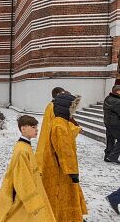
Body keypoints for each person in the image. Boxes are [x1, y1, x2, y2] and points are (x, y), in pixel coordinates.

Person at [0, 115, 56, 222]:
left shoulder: (25, 146)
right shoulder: (22, 150)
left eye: (36, 127)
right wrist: (33, 202)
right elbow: (22, 177)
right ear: (23, 129)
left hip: (31, 189)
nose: (37, 129)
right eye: (33, 127)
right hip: (24, 194)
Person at [40, 93, 87, 221]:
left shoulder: (60, 122)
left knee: (65, 195)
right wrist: (72, 172)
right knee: (61, 195)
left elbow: (68, 135)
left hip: (59, 168)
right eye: (72, 107)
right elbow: (64, 150)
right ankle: (64, 218)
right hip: (60, 170)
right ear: (65, 108)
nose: (74, 110)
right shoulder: (59, 126)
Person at [35, 87, 64, 169]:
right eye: (63, 93)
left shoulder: (51, 105)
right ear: (58, 94)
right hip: (51, 134)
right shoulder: (53, 107)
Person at [103, 85, 120, 164]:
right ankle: (112, 157)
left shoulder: (107, 98)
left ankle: (107, 155)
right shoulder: (117, 101)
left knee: (110, 139)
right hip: (115, 123)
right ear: (117, 91)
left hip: (107, 122)